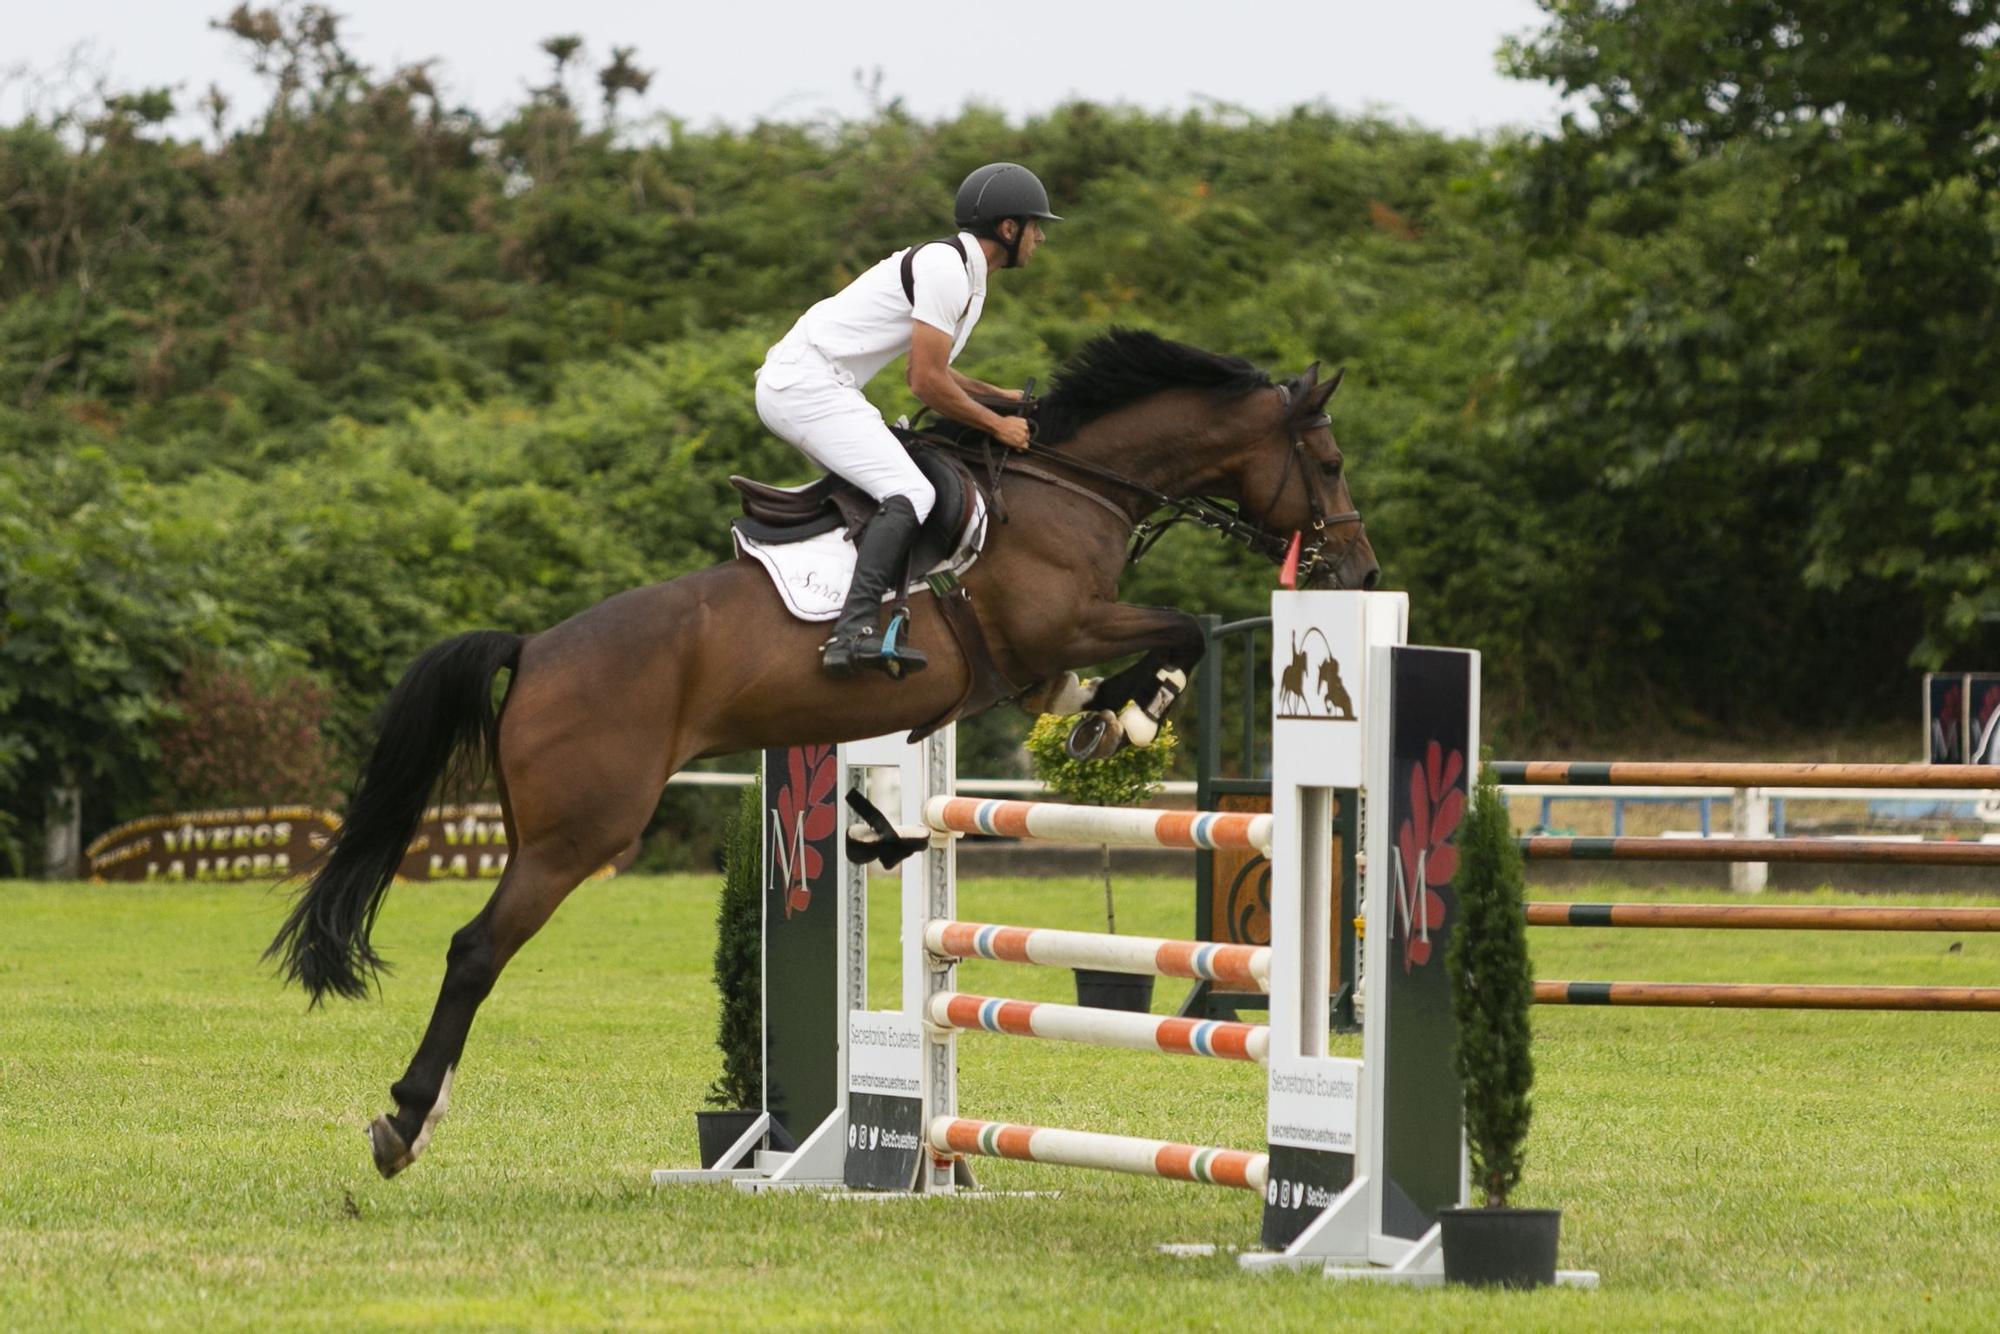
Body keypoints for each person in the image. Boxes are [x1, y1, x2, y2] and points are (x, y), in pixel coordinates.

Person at [755, 162, 1059, 679]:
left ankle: (837, 598)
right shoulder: (946, 270)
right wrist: (996, 424)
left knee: (894, 486)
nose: (1041, 237)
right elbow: (922, 382)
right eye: (1035, 225)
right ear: (1007, 229)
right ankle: (851, 633)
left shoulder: (968, 277)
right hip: (806, 385)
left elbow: (934, 367)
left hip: (819, 385)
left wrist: (998, 395)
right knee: (914, 494)